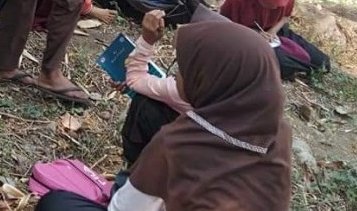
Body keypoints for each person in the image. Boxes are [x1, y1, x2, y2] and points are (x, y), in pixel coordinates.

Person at [36, 16, 293, 211]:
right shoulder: (279, 135)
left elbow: (123, 209)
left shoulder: (178, 143)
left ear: (211, 80)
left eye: (184, 68)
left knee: (56, 203)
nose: (180, 74)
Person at [220, 0, 330, 80]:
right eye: (271, 3)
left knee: (323, 63)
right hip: (246, 36)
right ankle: (295, 68)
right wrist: (254, 33)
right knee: (285, 66)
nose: (275, 7)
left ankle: (302, 67)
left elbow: (285, 15)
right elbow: (224, 25)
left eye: (279, 4)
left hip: (275, 31)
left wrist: (273, 31)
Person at [115, 9, 191, 166]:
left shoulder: (188, 90)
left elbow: (135, 79)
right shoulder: (237, 88)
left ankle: (134, 167)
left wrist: (147, 41)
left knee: (145, 103)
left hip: (181, 164)